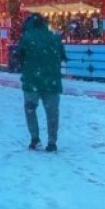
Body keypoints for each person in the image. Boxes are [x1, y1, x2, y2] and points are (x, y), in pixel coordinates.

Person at [17, 13, 66, 152]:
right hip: (52, 82)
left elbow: (19, 57)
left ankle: (35, 138)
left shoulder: (25, 38)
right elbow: (62, 56)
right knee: (52, 113)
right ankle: (52, 142)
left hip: (31, 81)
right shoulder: (55, 38)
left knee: (30, 109)